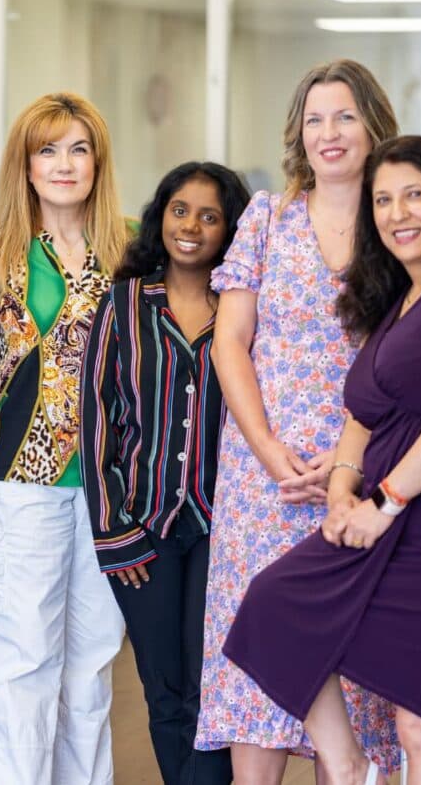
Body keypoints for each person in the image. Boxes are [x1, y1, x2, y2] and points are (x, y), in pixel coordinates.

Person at [224, 135, 421, 785]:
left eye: (415, 194)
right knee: (274, 606)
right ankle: (347, 762)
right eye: (385, 200)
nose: (398, 213)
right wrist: (342, 489)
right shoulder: (406, 297)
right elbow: (363, 413)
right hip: (386, 516)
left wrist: (383, 502)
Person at [193, 59, 402, 781]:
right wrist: (269, 451)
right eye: (315, 119)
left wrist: (352, 463)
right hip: (267, 477)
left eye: (344, 116)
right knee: (263, 655)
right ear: (297, 134)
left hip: (364, 469)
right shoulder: (267, 216)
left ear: (375, 125)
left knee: (350, 662)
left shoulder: (398, 224)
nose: (329, 133)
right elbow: (230, 342)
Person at [0, 91, 129, 784]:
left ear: (98, 161)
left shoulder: (131, 249)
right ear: (25, 165)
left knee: (90, 668)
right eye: (48, 149)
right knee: (20, 664)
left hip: (110, 485)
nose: (64, 164)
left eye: (78, 148)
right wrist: (7, 433)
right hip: (19, 485)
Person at [80, 161, 250, 785]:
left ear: (228, 228)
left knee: (214, 683)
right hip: (142, 530)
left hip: (221, 526)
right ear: (161, 217)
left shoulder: (241, 310)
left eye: (210, 216)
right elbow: (96, 418)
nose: (193, 226)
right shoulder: (124, 305)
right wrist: (113, 530)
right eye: (181, 210)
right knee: (164, 689)